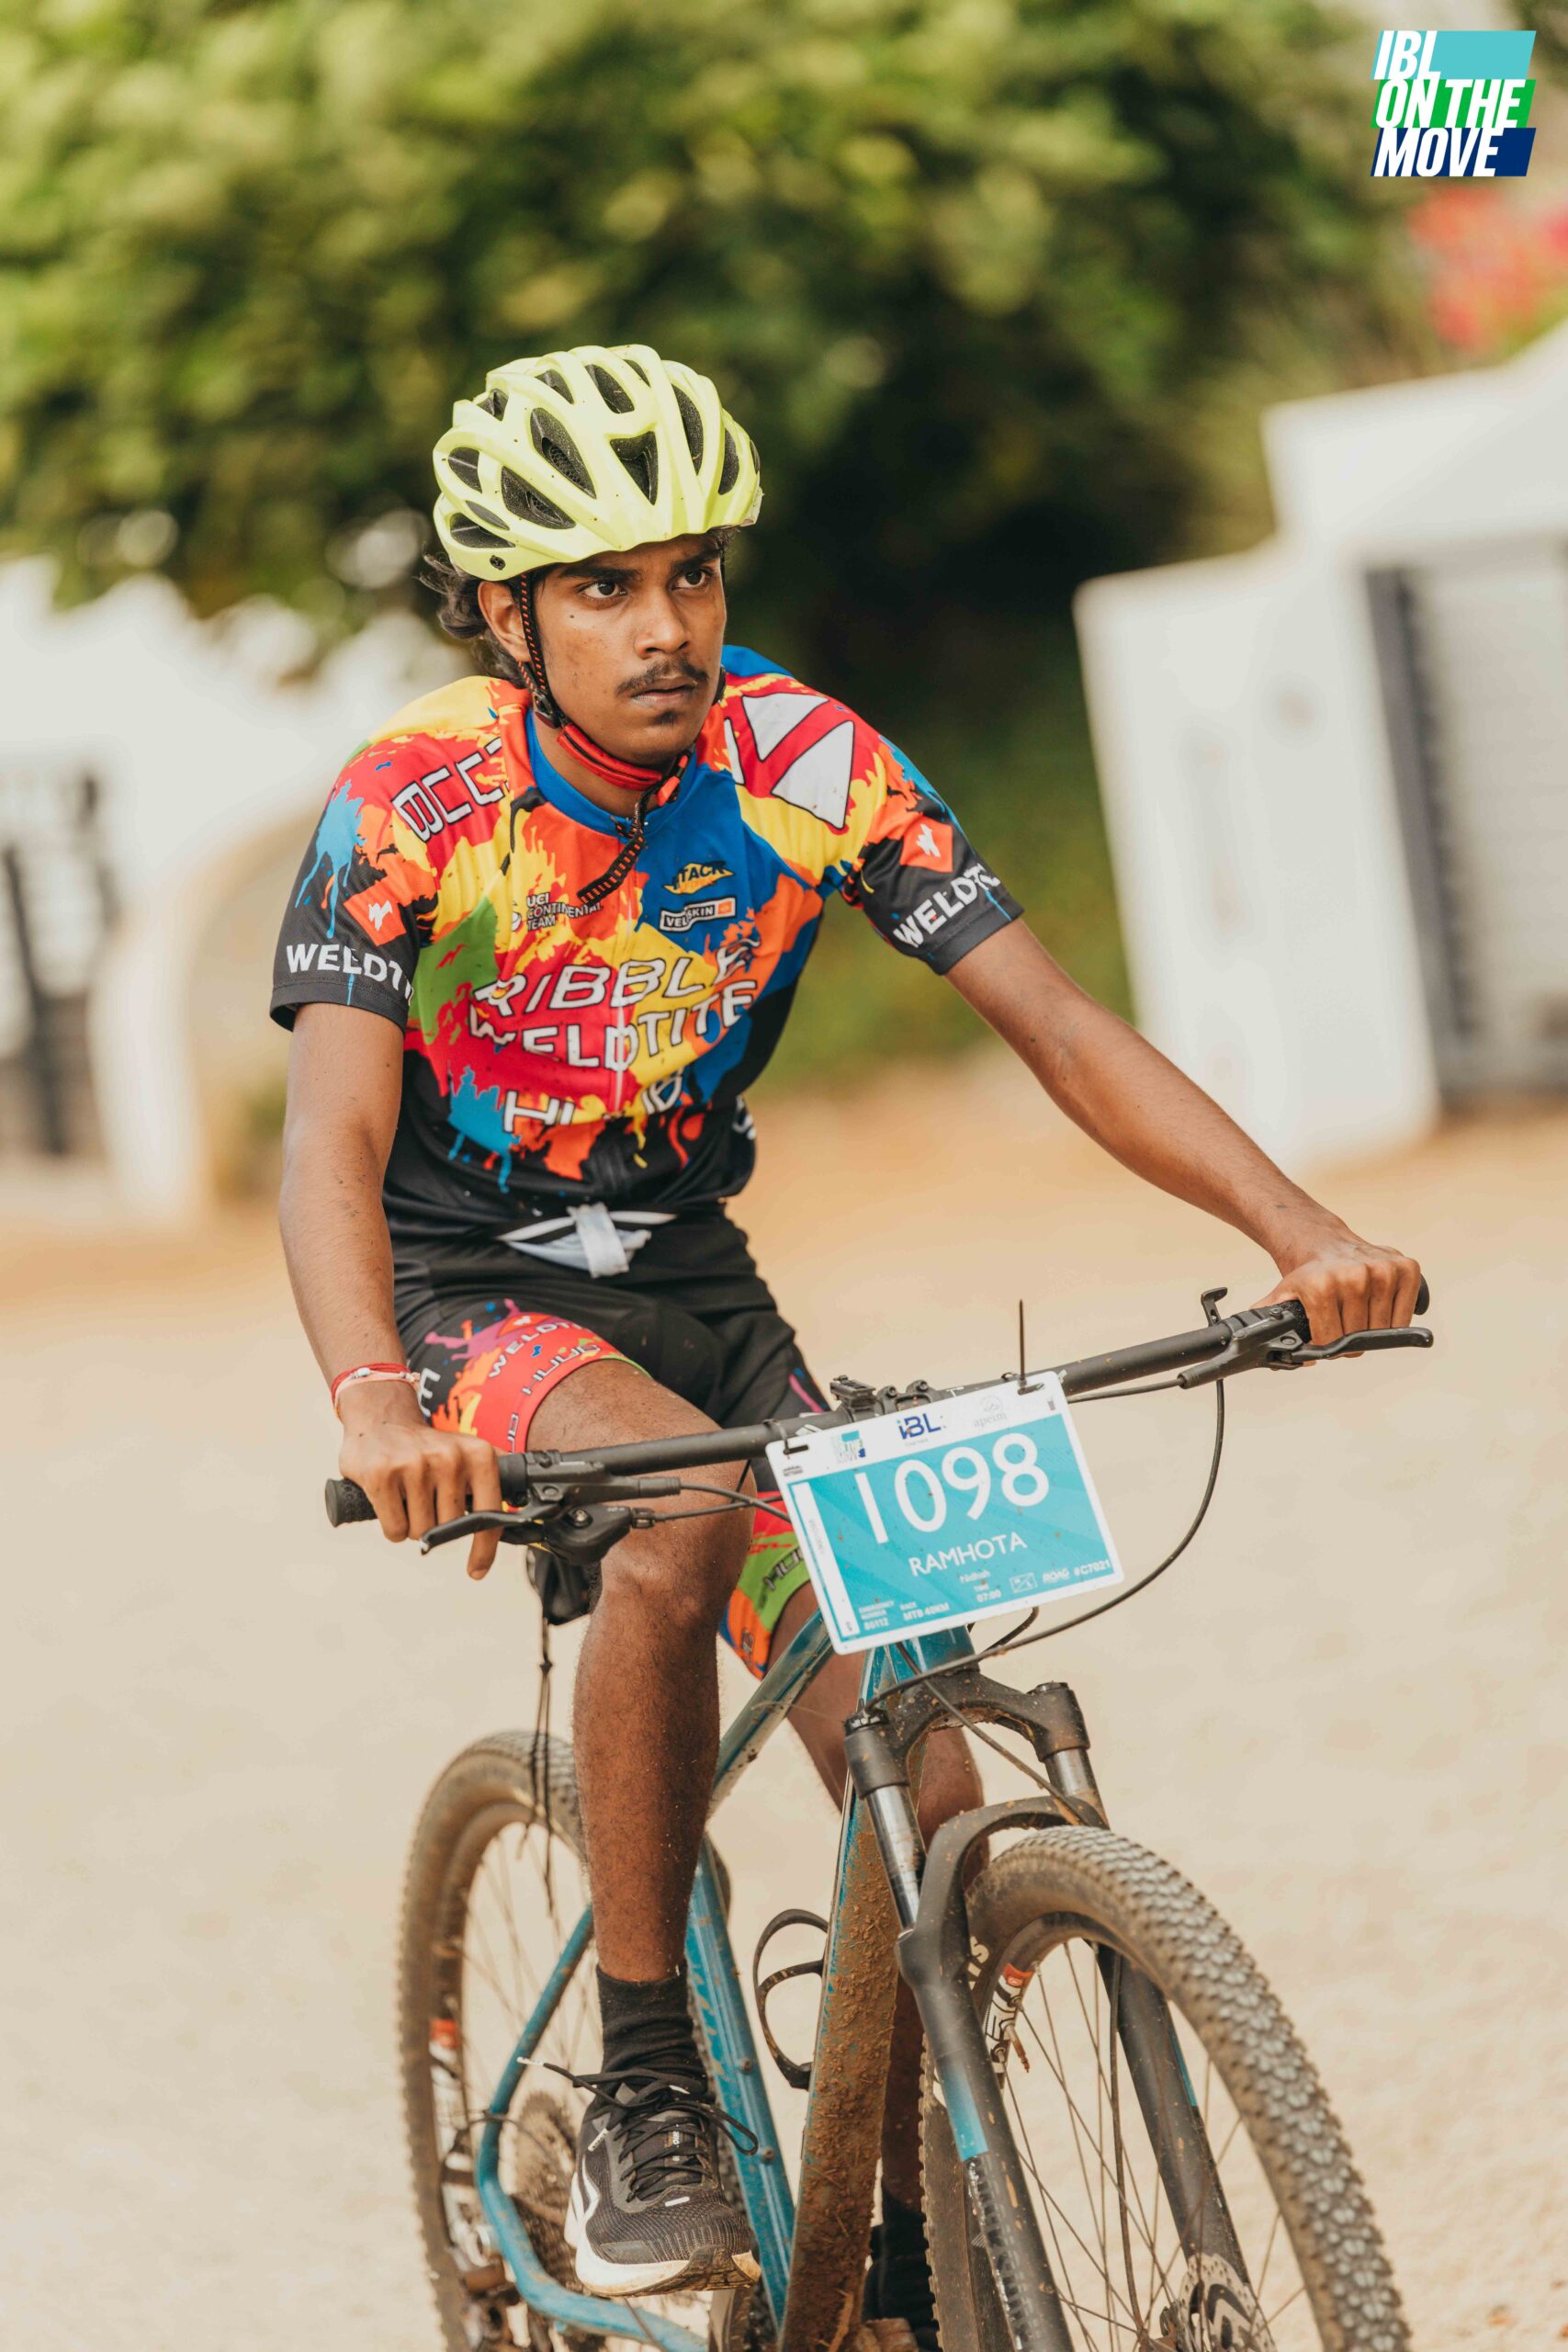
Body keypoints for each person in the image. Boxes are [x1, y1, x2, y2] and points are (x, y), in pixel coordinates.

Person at [272, 344, 1422, 2332]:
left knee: (942, 1784)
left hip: (699, 1287)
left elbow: (1059, 1027)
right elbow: (330, 1140)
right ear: (505, 618)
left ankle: (892, 2252)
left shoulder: (805, 763)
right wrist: (380, 1398)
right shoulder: (414, 805)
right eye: (603, 586)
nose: (665, 626)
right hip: (470, 1293)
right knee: (681, 1517)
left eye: (692, 573)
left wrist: (1301, 1235)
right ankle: (648, 2080)